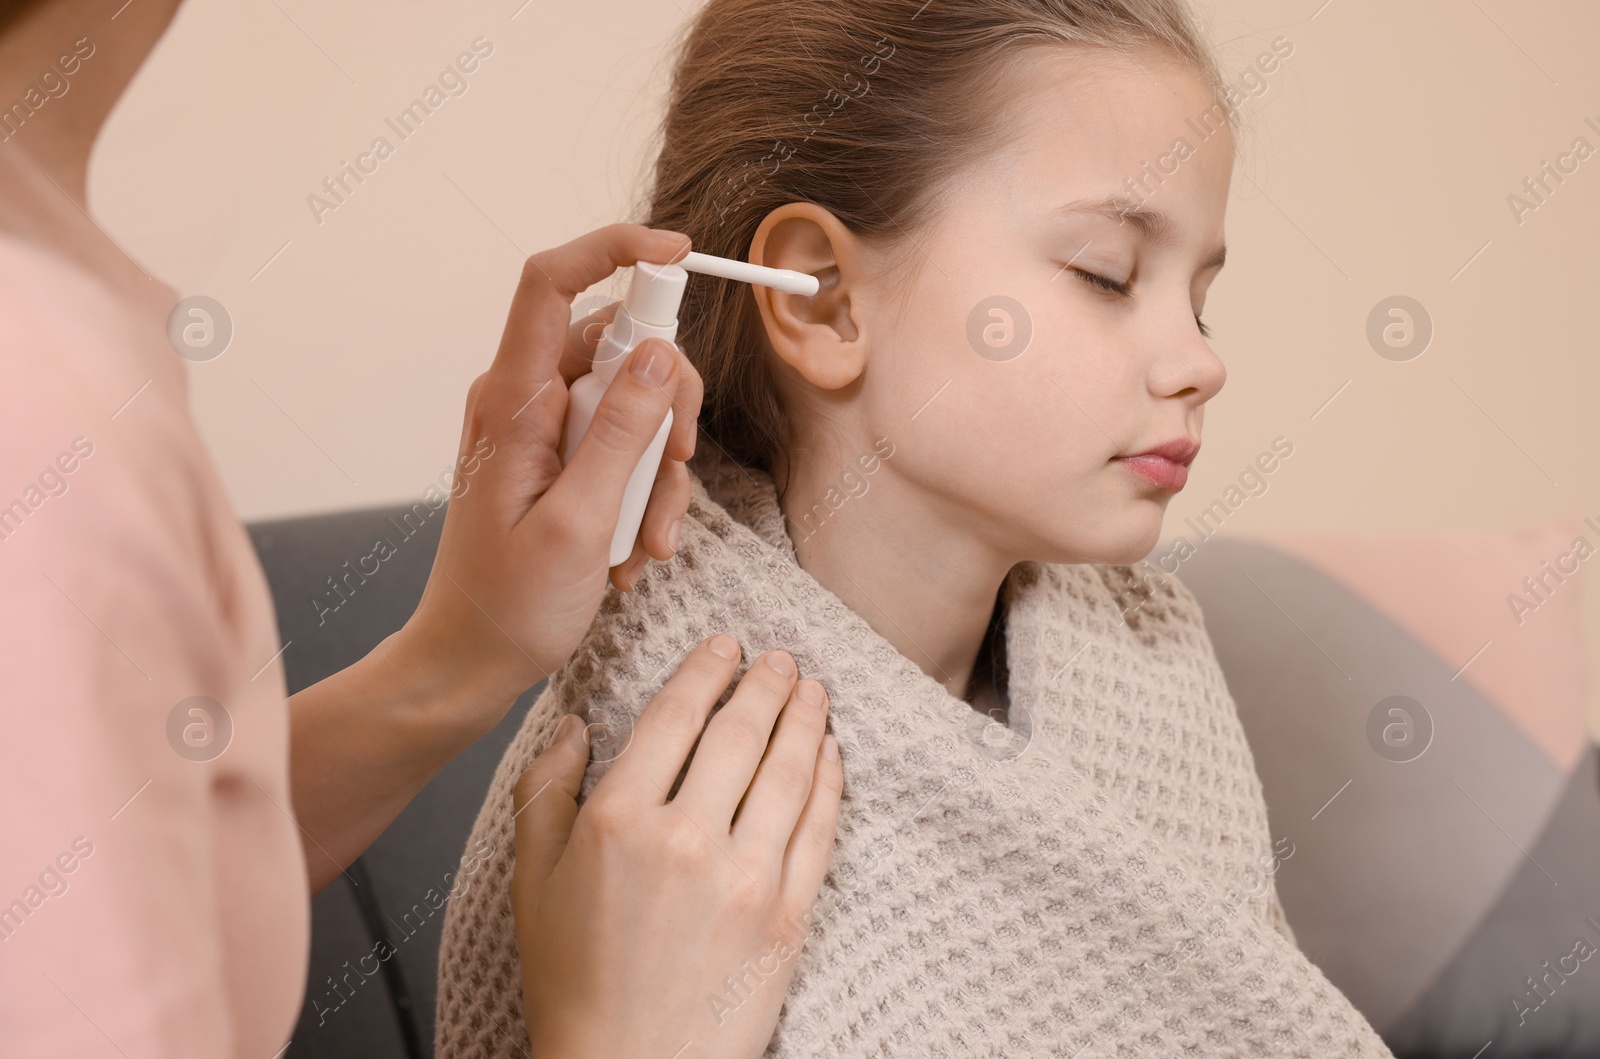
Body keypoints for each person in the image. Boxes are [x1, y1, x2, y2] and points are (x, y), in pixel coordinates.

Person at [436, 0, 1397, 1056]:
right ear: (824, 300)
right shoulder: (651, 777)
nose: (1199, 361)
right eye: (1106, 274)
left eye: (1200, 300)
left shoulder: (1154, 668)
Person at [0, 1, 841, 1056]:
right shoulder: (33, 406)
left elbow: (94, 867)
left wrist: (461, 654)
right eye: (1094, 272)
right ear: (826, 299)